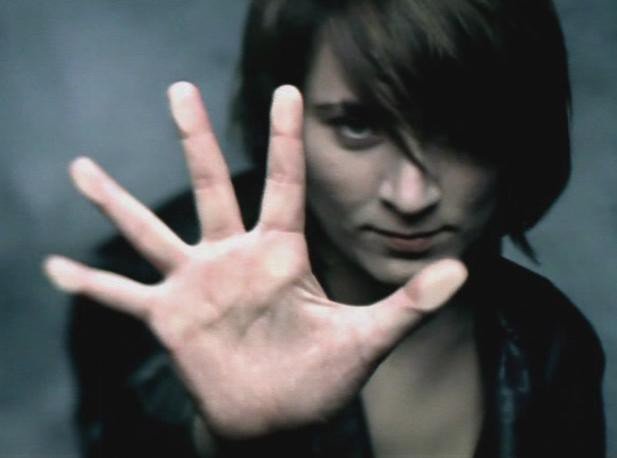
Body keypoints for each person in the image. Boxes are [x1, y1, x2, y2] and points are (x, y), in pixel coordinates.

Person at [44, 0, 606, 456]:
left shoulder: (552, 347)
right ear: (279, 118)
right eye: (357, 126)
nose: (410, 196)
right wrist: (229, 444)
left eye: (464, 129)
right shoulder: (151, 291)